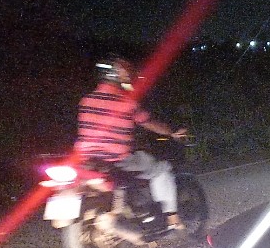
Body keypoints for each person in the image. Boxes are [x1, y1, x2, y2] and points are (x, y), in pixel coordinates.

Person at [74, 55, 189, 228]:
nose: (127, 76)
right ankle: (172, 217)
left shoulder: (86, 100)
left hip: (87, 160)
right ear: (116, 75)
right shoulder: (126, 102)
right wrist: (172, 132)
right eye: (124, 72)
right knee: (161, 170)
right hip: (117, 159)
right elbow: (149, 123)